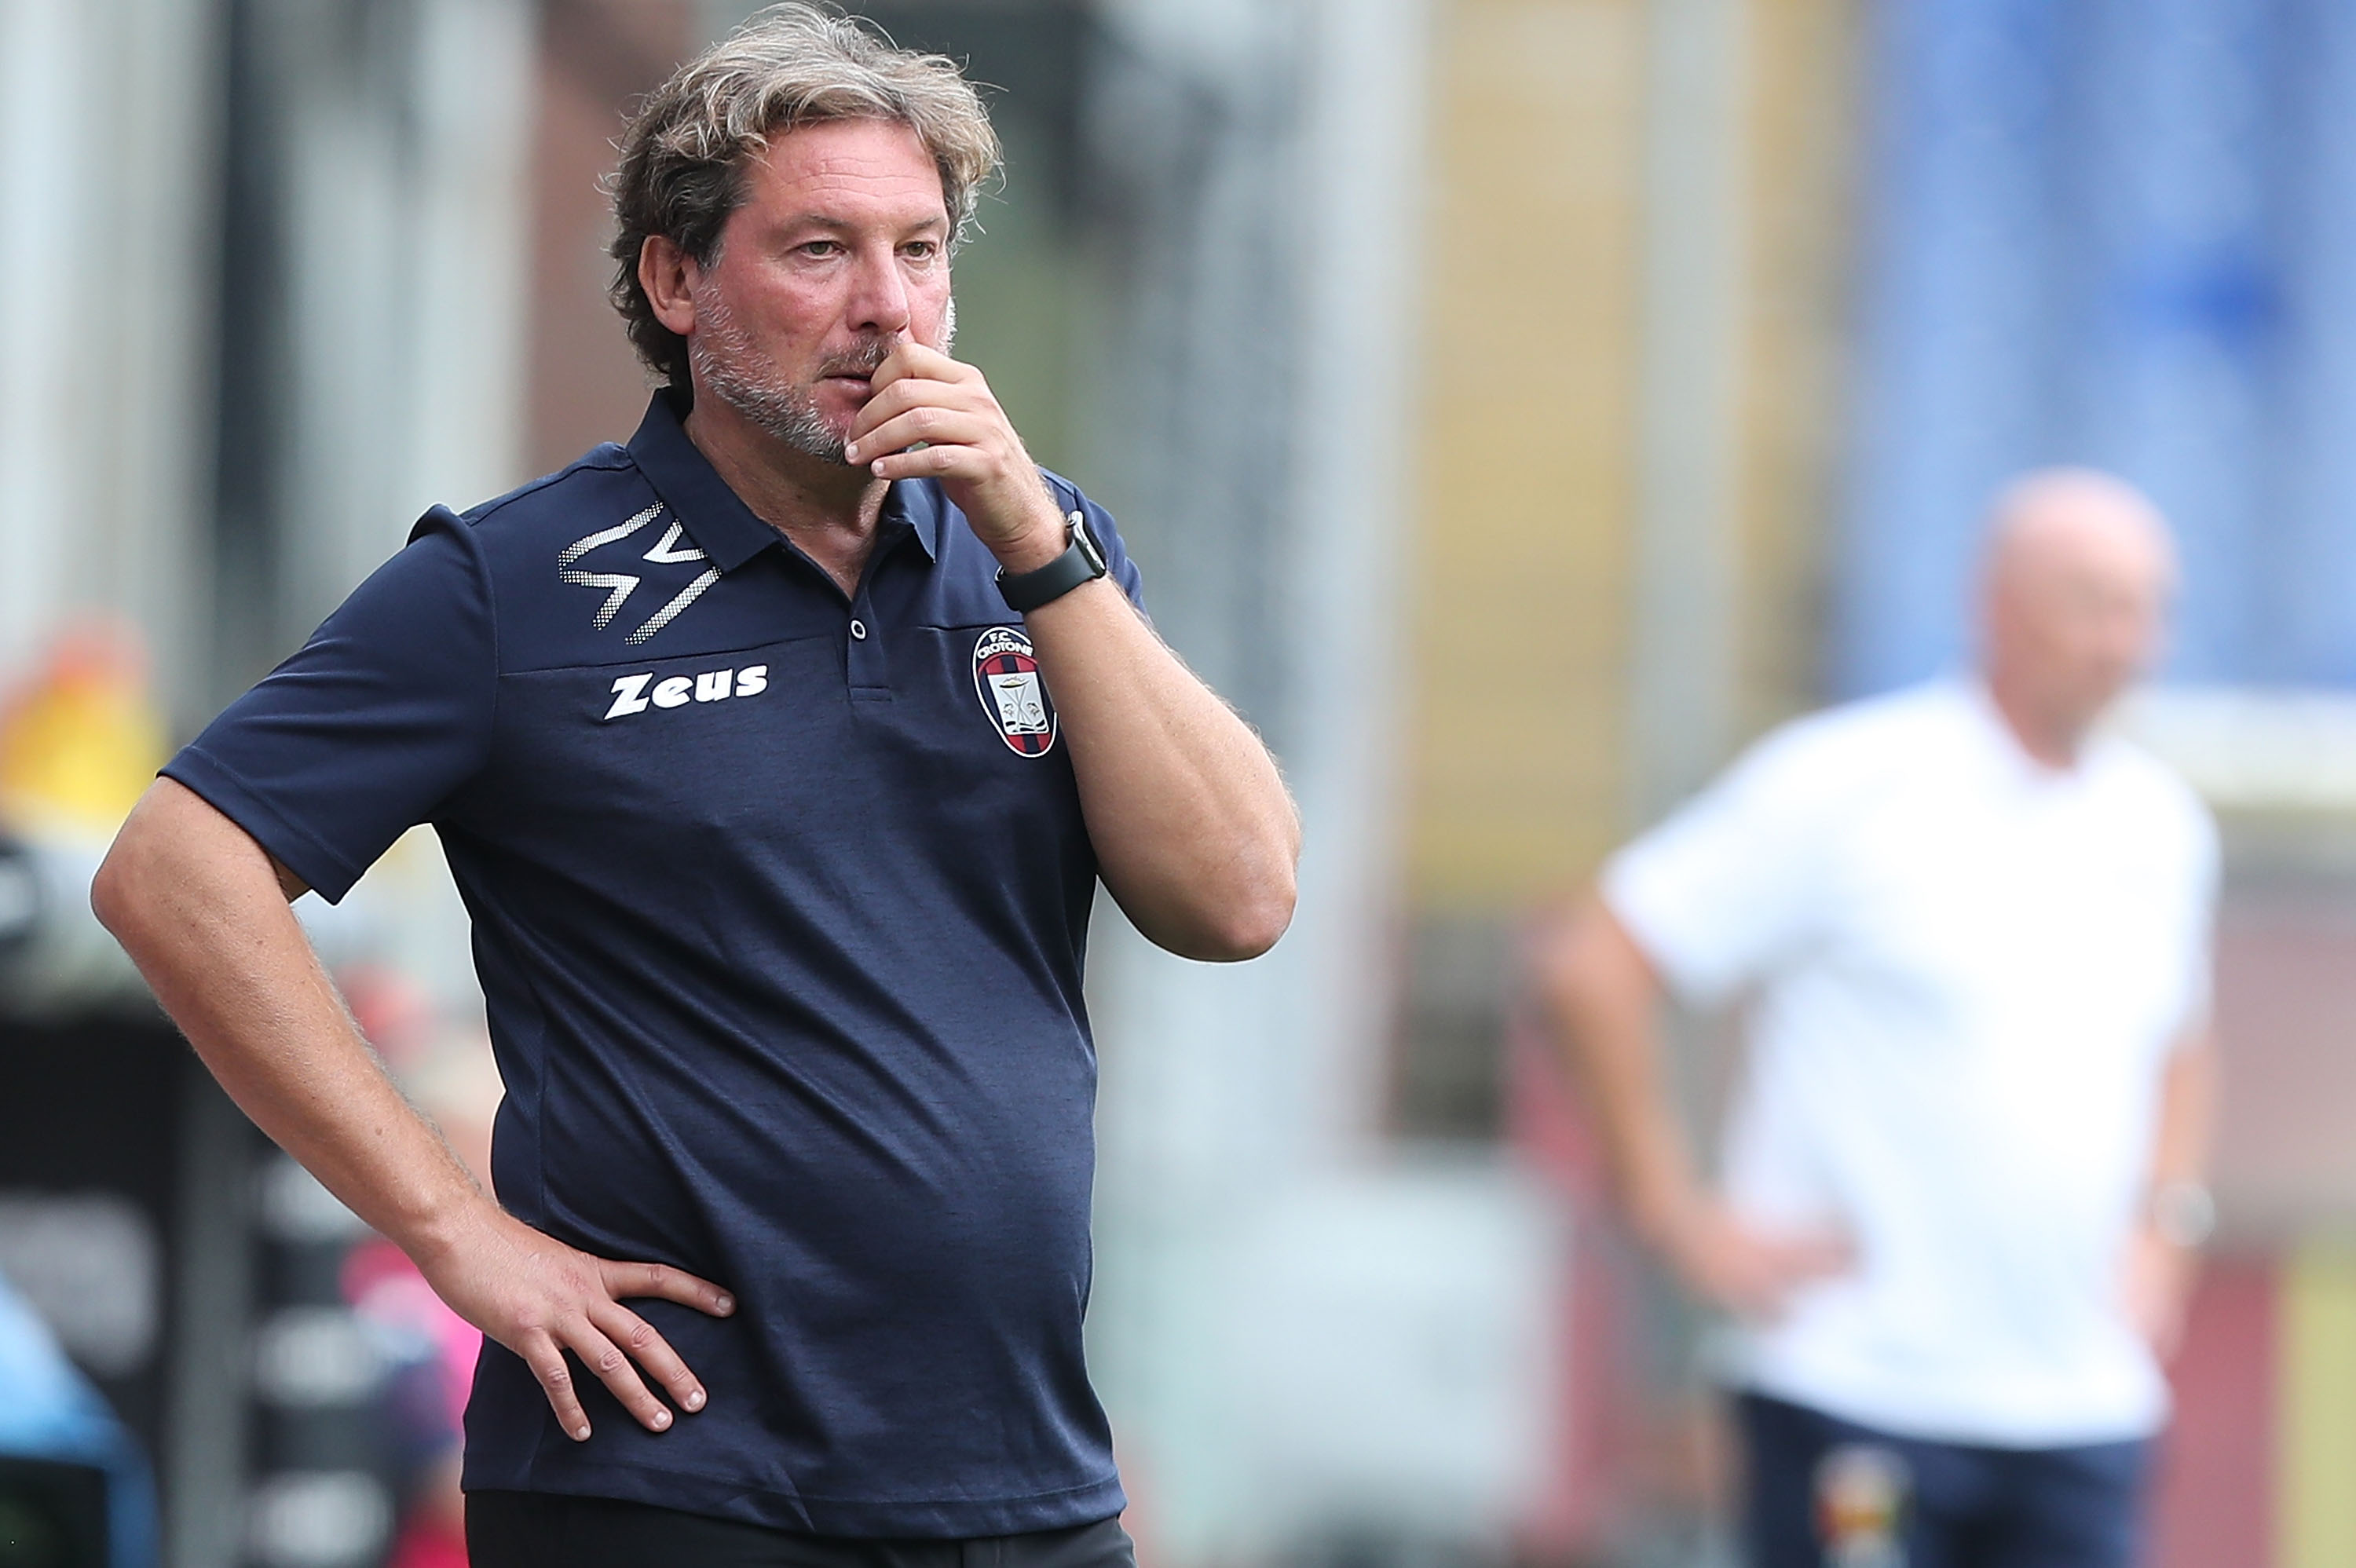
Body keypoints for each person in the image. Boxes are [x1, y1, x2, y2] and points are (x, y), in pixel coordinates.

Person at [92, 8, 1299, 1567]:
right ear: (676, 280)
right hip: (668, 1481)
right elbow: (172, 869)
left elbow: (1239, 900)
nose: (888, 307)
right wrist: (452, 1229)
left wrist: (1038, 546)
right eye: (821, 251)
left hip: (1021, 1483)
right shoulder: (515, 580)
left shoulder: (1038, 553)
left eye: (920, 250)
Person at [1534, 470, 2217, 1568]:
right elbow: (1592, 966)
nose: (2127, 642)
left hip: (2080, 1408)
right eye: (2094, 604)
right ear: (1997, 606)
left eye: (2148, 609)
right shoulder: (1850, 784)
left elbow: (2178, 1038)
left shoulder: (2160, 825)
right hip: (1858, 1400)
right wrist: (1671, 1211)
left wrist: (2166, 1223)